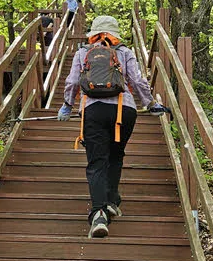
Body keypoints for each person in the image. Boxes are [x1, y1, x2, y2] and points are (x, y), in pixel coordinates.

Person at [58, 15, 164, 238]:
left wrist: (67, 106)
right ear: (115, 33)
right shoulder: (124, 52)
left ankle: (99, 213)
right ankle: (112, 201)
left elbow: (72, 81)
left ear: (93, 33)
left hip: (93, 110)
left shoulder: (82, 52)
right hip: (124, 111)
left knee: (97, 160)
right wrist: (150, 103)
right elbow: (137, 80)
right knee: (116, 154)